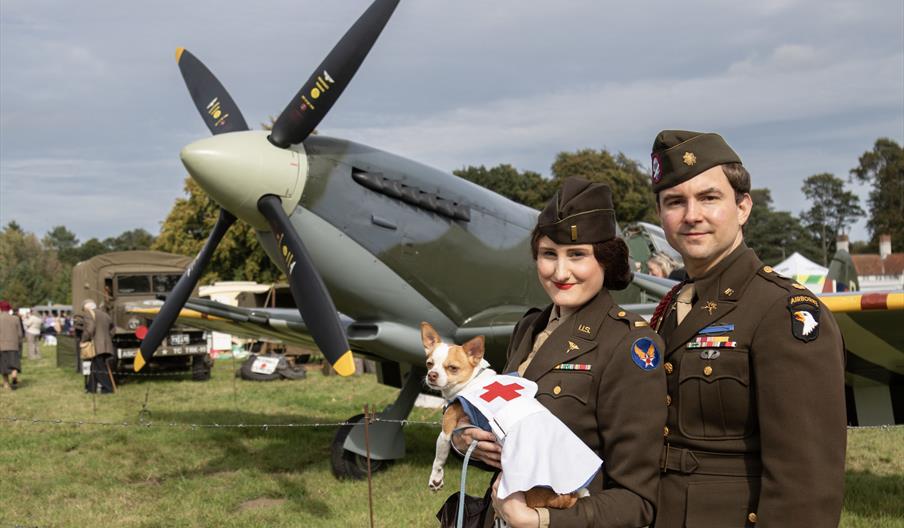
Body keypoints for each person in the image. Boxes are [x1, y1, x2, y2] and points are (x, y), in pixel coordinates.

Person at [647, 130, 846, 527]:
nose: (691, 215)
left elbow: (805, 486)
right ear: (660, 217)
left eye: (709, 197)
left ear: (743, 207)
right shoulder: (671, 308)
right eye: (675, 202)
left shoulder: (782, 311)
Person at [453, 177, 667, 527]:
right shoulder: (529, 329)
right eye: (548, 254)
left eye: (578, 255)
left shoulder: (628, 345)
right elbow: (517, 438)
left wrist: (541, 521)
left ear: (606, 260)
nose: (560, 272)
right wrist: (467, 441)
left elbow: (637, 500)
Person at [81, 299, 116, 394]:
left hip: (96, 346)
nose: (84, 312)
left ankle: (108, 389)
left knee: (99, 368)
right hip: (106, 345)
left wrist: (84, 339)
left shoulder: (89, 314)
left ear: (86, 308)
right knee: (95, 366)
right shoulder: (105, 314)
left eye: (83, 309)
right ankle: (91, 389)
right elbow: (113, 329)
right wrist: (107, 338)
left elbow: (90, 328)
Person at [0, 300, 23, 390]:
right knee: (14, 363)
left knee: (3, 365)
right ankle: (14, 374)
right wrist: (19, 342)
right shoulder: (15, 318)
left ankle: (6, 383)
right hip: (13, 345)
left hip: (1, 345)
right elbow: (20, 334)